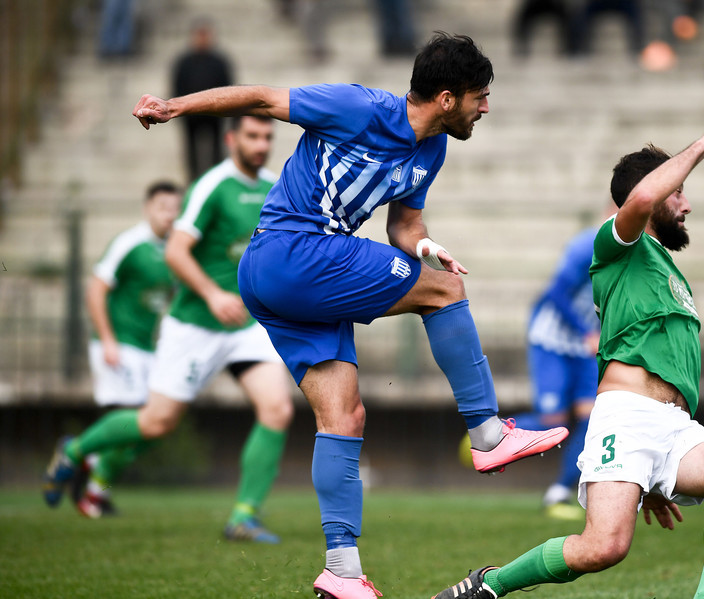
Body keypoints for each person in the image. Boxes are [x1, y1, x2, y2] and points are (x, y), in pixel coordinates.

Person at [128, 32, 568, 599]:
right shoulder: (358, 106)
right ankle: (486, 433)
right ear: (445, 97)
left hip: (298, 278)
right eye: (480, 95)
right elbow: (263, 99)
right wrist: (174, 107)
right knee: (447, 294)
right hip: (291, 252)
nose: (486, 106)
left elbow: (404, 228)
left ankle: (341, 571)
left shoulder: (432, 149)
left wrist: (428, 250)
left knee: (344, 416)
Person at [431, 118, 704, 599]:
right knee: (603, 548)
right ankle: (488, 585)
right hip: (627, 419)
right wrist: (701, 146)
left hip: (674, 428)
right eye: (679, 193)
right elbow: (636, 202)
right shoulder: (617, 247)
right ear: (652, 196)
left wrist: (657, 470)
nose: (687, 204)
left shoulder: (665, 267)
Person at [44, 115, 294, 544]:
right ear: (231, 139)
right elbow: (177, 253)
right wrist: (213, 295)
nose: (261, 144)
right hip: (196, 324)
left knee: (277, 408)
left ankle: (243, 516)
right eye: (252, 136)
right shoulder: (211, 186)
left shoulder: (273, 186)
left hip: (246, 323)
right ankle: (75, 450)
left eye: (267, 136)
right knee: (156, 422)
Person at [72, 181, 182, 518]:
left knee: (148, 431)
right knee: (136, 423)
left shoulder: (175, 251)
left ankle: (91, 466)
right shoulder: (130, 243)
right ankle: (90, 485)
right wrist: (107, 339)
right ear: (148, 208)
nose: (170, 216)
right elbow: (96, 289)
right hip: (119, 346)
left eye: (176, 209)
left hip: (146, 350)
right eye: (163, 208)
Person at [508, 217, 608, 520]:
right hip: (551, 340)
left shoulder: (638, 254)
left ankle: (559, 492)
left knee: (591, 418)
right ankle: (491, 433)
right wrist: (585, 331)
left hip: (585, 349)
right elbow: (556, 293)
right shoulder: (588, 247)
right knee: (553, 420)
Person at [171, 17, 234, 182]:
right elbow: (177, 86)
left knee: (216, 152)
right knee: (191, 152)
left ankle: (216, 181)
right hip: (190, 115)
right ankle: (193, 181)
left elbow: (229, 87)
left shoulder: (219, 62)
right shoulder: (184, 62)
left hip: (215, 115)